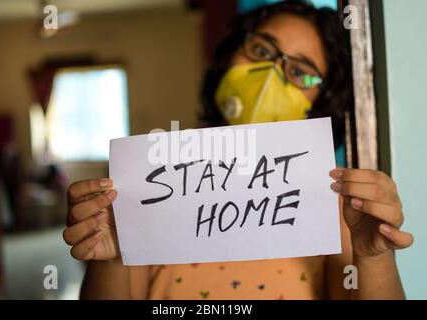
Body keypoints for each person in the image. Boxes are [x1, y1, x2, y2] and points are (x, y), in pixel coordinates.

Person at [63, 0, 413, 299]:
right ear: (229, 57)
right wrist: (108, 259)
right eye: (261, 51)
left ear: (321, 102)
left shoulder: (339, 210)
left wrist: (373, 258)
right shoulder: (155, 186)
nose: (271, 75)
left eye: (300, 72)